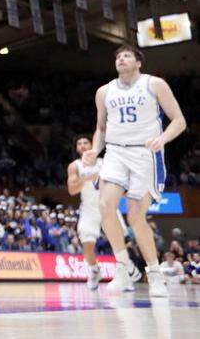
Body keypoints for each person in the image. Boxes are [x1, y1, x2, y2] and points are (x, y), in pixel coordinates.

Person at [84, 45, 187, 297]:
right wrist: (94, 150)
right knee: (105, 206)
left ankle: (154, 273)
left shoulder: (155, 84)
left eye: (126, 55)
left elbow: (179, 120)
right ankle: (123, 268)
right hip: (116, 152)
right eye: (118, 56)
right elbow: (101, 128)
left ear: (138, 62)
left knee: (134, 216)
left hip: (145, 153)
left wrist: (162, 139)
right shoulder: (104, 91)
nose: (120, 58)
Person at [67, 136, 103, 290]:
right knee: (87, 245)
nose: (82, 145)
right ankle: (95, 270)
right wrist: (86, 179)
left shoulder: (104, 163)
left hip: (108, 204)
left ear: (92, 145)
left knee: (121, 243)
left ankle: (127, 274)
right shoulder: (75, 166)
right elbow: (72, 190)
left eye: (85, 142)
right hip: (89, 208)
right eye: (79, 143)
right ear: (77, 148)